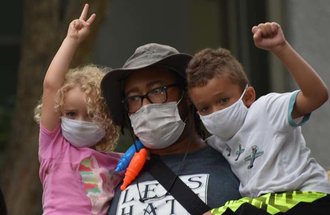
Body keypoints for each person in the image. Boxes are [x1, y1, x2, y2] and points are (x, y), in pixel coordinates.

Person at [186, 22, 330, 214]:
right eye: (204, 108)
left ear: (248, 97)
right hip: (269, 205)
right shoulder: (217, 142)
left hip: (303, 197)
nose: (216, 112)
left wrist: (281, 48)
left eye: (223, 100)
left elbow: (317, 96)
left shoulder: (266, 110)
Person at [100, 43, 242, 214]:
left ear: (188, 95)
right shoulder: (112, 176)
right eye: (134, 98)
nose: (145, 106)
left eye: (157, 90)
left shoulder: (238, 162)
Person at [34, 4, 122, 214]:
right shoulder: (53, 148)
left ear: (108, 122)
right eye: (71, 114)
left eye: (92, 115)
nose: (81, 122)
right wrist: (71, 40)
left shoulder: (118, 163)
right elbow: (51, 85)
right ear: (59, 113)